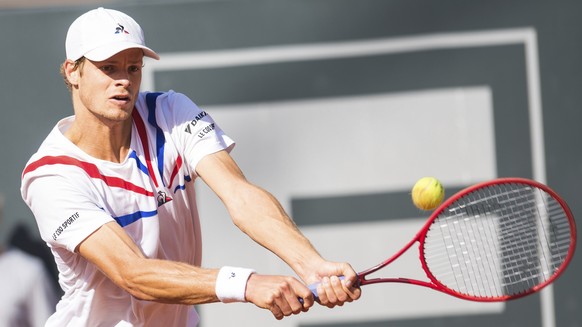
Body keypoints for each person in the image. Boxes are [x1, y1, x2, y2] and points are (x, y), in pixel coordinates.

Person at [20, 7, 360, 327]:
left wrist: (312, 265)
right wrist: (247, 283)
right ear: (72, 71)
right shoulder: (52, 175)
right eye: (108, 68)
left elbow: (240, 195)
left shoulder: (170, 112)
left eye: (133, 67)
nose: (123, 80)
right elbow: (134, 273)